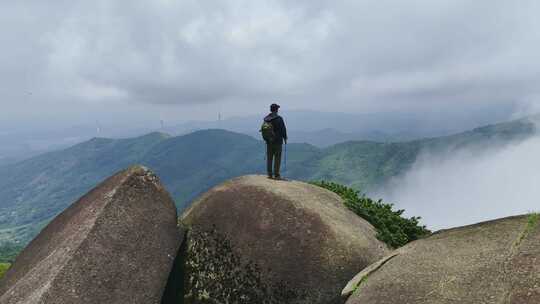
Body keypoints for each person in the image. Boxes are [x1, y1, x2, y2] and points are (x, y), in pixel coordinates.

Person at [263, 103, 287, 179]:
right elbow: (283, 129)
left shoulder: (266, 119)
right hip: (278, 141)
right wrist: (285, 137)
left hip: (269, 141)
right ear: (276, 110)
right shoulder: (279, 118)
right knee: (277, 158)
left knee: (269, 157)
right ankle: (276, 174)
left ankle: (269, 174)